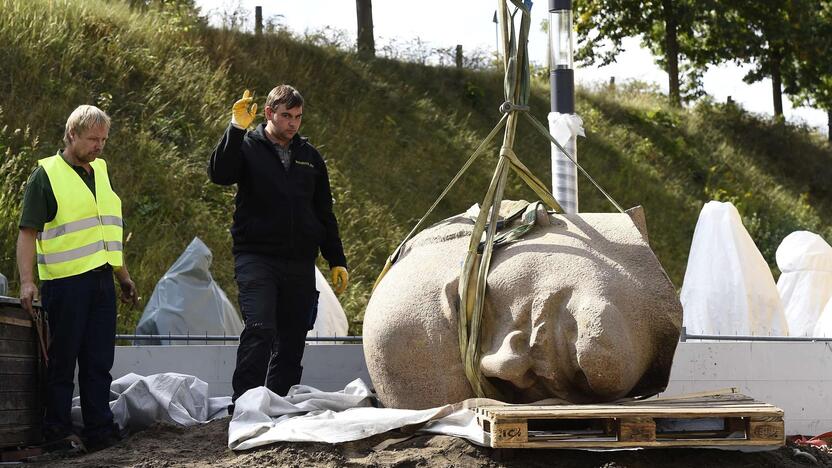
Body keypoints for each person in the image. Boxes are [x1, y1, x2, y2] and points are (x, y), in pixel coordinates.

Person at [209, 85, 349, 403]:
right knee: (259, 327)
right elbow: (219, 174)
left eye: (298, 117)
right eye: (286, 116)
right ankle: (245, 403)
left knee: (293, 338)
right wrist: (234, 128)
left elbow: (324, 211)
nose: (292, 123)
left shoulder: (310, 158)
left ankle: (278, 402)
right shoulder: (247, 146)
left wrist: (336, 259)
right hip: (256, 256)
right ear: (269, 113)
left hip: (299, 262)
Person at [17, 105, 138, 450]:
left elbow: (106, 233)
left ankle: (100, 429)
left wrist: (123, 276)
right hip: (66, 284)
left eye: (104, 139)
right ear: (72, 135)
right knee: (62, 361)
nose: (99, 146)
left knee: (99, 360)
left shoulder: (101, 171)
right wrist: (28, 281)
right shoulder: (47, 175)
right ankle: (56, 431)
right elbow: (27, 233)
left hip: (102, 281)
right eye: (92, 139)